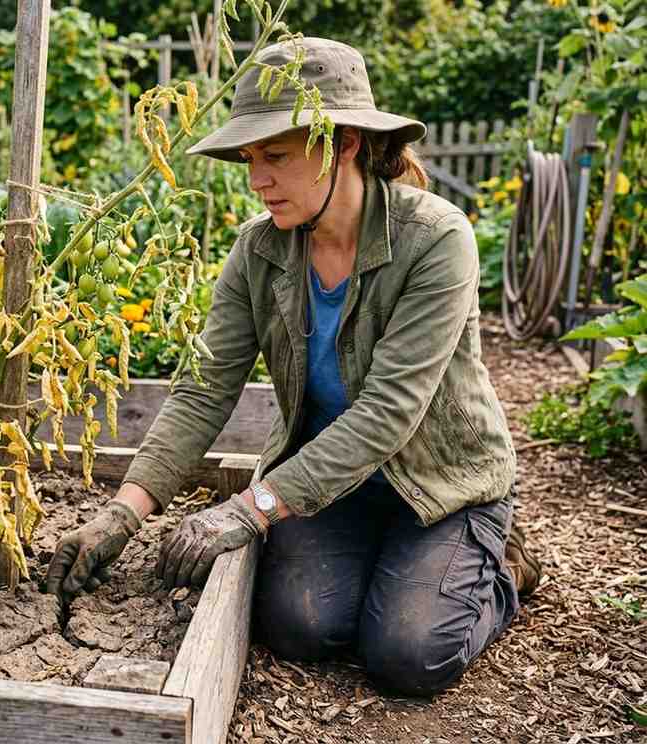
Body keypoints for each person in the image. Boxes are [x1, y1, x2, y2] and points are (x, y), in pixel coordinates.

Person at [45, 37, 542, 696]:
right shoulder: (260, 251)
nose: (257, 180)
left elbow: (387, 414)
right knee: (298, 625)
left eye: (274, 156)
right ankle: (398, 569)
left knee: (408, 655)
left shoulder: (436, 240)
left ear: (344, 144)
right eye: (250, 159)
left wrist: (251, 508)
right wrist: (125, 509)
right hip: (331, 484)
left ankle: (501, 566)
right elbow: (205, 388)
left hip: (441, 488)